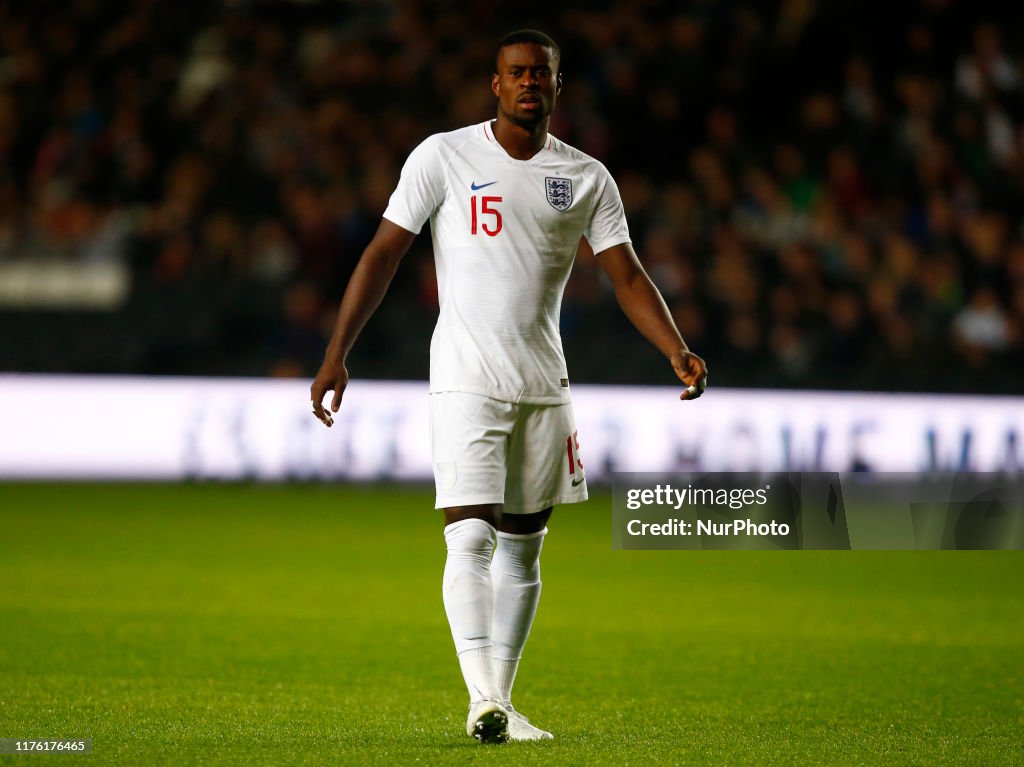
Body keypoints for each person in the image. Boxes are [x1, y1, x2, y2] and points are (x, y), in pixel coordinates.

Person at [310, 29, 708, 744]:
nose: (529, 83)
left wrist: (676, 347)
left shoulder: (586, 177)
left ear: (559, 86)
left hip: (545, 383)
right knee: (468, 537)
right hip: (465, 378)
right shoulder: (443, 156)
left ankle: (501, 699)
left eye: (541, 74)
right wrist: (338, 351)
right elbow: (382, 252)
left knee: (524, 549)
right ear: (495, 85)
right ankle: (483, 700)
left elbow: (626, 274)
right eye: (516, 73)